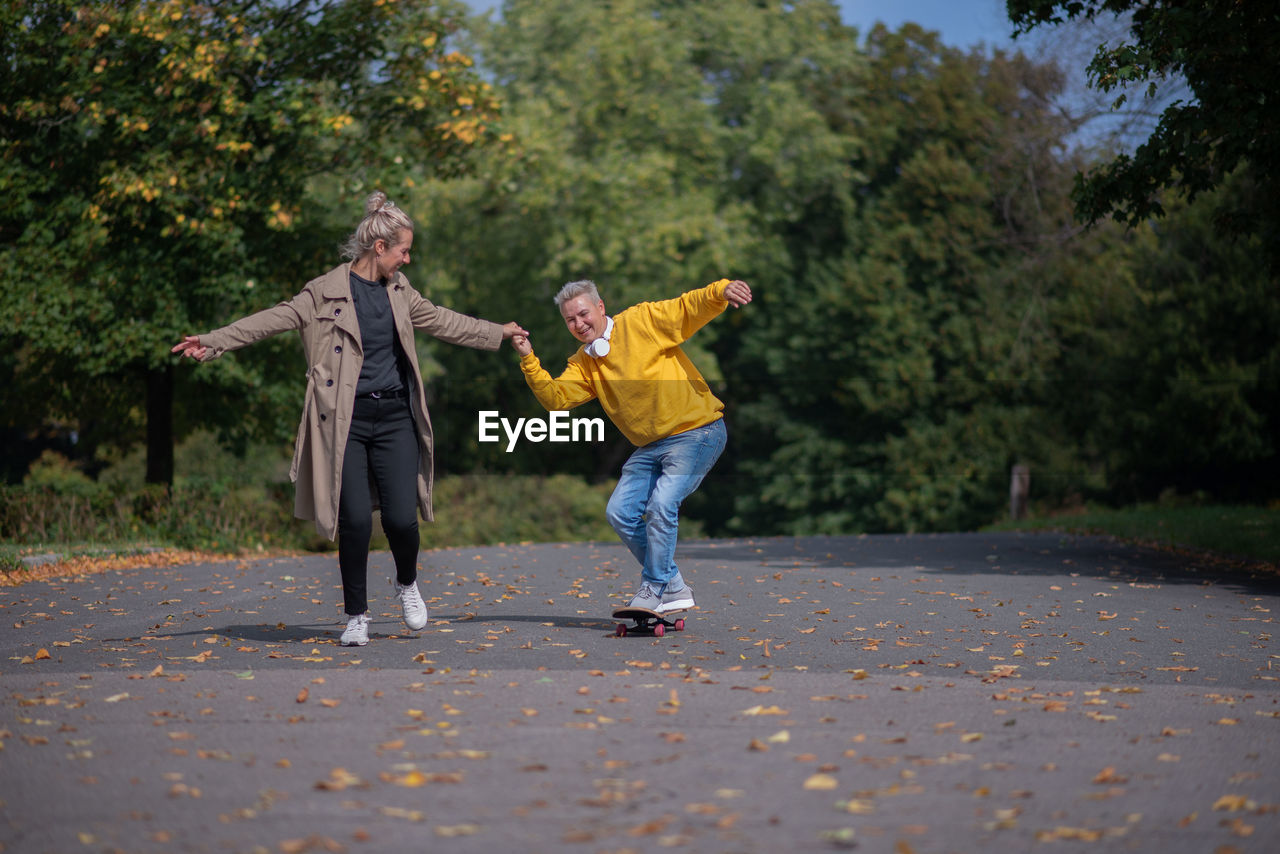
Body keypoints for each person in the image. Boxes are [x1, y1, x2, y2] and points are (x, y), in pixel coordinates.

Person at [172, 192, 527, 647]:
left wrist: (497, 332)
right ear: (379, 247)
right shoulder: (323, 293)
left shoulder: (401, 293)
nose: (408, 258)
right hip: (347, 423)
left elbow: (443, 321)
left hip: (395, 415)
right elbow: (271, 319)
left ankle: (406, 583)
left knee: (401, 518)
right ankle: (356, 615)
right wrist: (215, 341)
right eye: (403, 250)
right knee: (356, 520)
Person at [510, 277, 752, 613]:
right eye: (571, 320)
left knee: (661, 505)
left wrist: (720, 290)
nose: (579, 324)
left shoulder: (641, 321)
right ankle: (674, 585)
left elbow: (686, 308)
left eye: (583, 314)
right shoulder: (585, 362)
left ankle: (654, 588)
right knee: (620, 513)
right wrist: (529, 359)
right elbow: (556, 398)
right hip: (652, 446)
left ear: (600, 307)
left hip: (698, 431)